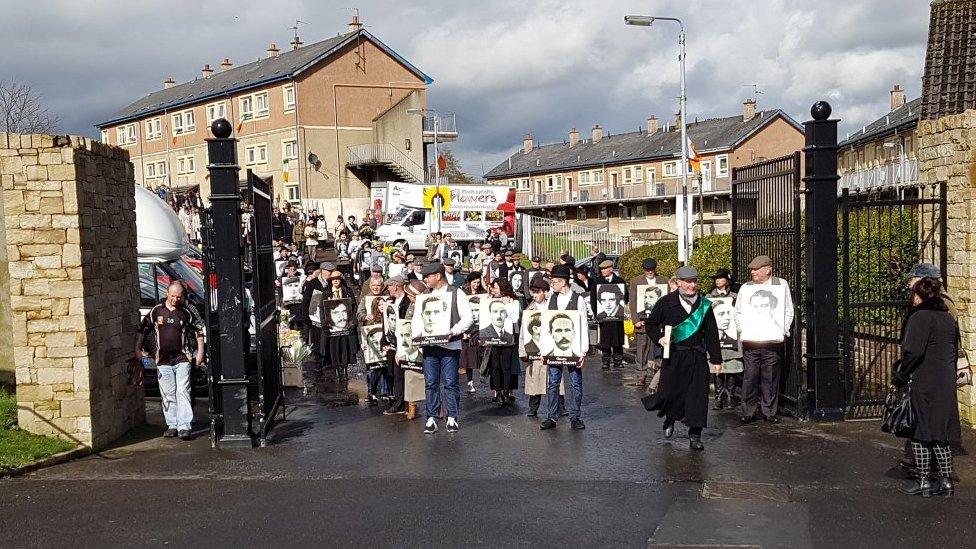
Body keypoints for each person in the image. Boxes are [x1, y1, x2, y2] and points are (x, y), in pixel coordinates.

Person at [644, 266, 724, 450]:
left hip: (697, 355)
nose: (692, 285)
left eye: (694, 281)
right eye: (688, 281)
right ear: (678, 282)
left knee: (698, 396)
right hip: (674, 356)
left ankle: (695, 435)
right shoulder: (666, 302)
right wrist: (659, 338)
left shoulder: (704, 305)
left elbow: (712, 333)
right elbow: (651, 325)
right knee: (672, 392)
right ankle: (670, 418)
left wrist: (717, 360)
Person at [895, 277, 961, 497]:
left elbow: (914, 352)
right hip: (945, 379)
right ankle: (947, 480)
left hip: (925, 380)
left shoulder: (919, 317)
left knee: (921, 431)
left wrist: (901, 374)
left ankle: (923, 480)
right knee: (940, 432)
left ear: (919, 295)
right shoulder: (947, 318)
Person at [134, 282, 205, 440]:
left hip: (182, 358)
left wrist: (200, 352)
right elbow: (142, 329)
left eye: (179, 297)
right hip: (163, 360)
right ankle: (172, 424)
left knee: (183, 391)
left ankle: (184, 426)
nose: (175, 299)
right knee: (167, 394)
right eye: (172, 296)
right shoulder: (157, 310)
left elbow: (199, 330)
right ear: (167, 294)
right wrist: (137, 349)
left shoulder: (186, 312)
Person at [734, 255, 795, 425]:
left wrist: (784, 330)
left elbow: (788, 310)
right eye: (752, 269)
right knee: (750, 377)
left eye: (756, 269)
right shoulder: (746, 288)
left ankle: (769, 411)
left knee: (771, 377)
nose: (752, 272)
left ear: (768, 269)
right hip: (751, 341)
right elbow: (737, 311)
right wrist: (742, 329)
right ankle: (749, 411)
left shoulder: (781, 285)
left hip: (772, 341)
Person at [419, 262, 474, 434]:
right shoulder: (424, 295)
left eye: (427, 276)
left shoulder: (456, 293)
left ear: (437, 276)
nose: (425, 279)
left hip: (450, 345)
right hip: (429, 346)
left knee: (450, 382)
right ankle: (432, 418)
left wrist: (453, 331)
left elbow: (468, 318)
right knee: (431, 383)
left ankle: (451, 418)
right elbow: (417, 321)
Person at [541, 264, 590, 430]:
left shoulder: (578, 299)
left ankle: (575, 416)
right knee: (553, 382)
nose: (551, 284)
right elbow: (546, 325)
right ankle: (552, 417)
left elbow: (583, 325)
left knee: (575, 383)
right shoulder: (551, 299)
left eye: (554, 281)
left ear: (563, 282)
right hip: (554, 349)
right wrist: (543, 349)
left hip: (574, 348)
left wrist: (583, 351)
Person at [521, 278, 566, 418]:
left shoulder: (554, 307)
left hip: (552, 350)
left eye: (537, 292)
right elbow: (523, 333)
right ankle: (533, 407)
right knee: (535, 380)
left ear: (545, 292)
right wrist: (523, 351)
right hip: (535, 350)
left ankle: (560, 407)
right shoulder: (529, 310)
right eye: (533, 292)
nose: (534, 295)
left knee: (556, 379)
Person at [629, 258, 670, 390]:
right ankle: (641, 375)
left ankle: (659, 375)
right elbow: (633, 301)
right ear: (643, 269)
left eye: (652, 269)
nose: (650, 271)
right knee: (642, 348)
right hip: (643, 321)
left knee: (659, 348)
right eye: (647, 269)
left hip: (659, 322)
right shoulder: (636, 281)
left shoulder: (664, 281)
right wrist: (635, 320)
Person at [708, 268, 741, 410]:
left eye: (720, 278)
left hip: (732, 337)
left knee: (732, 368)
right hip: (716, 337)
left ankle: (730, 397)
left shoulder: (736, 296)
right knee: (717, 367)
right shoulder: (709, 296)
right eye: (716, 278)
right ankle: (718, 397)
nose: (717, 280)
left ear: (727, 279)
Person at [484, 279, 521, 406]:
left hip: (507, 337)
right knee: (494, 366)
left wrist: (507, 305)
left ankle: (506, 391)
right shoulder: (491, 300)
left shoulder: (514, 301)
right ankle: (497, 391)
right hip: (493, 338)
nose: (493, 290)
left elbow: (515, 317)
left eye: (495, 287)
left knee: (506, 366)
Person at [591, 259, 628, 371]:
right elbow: (593, 299)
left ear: (611, 269)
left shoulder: (619, 281)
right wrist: (596, 313)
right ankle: (605, 360)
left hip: (617, 316)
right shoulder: (597, 282)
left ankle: (618, 360)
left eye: (605, 268)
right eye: (601, 269)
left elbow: (626, 297)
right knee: (605, 339)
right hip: (603, 316)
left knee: (617, 338)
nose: (602, 271)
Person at [321, 271, 358, 381]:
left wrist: (353, 323)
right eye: (333, 279)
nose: (336, 281)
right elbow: (322, 310)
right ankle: (337, 371)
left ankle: (345, 369)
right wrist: (324, 325)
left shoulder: (348, 292)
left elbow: (354, 308)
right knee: (334, 349)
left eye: (337, 279)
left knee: (345, 348)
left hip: (346, 326)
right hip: (332, 327)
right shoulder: (326, 293)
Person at [358, 277, 388, 405]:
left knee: (386, 366)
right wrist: (365, 316)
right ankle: (372, 392)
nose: (376, 288)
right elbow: (358, 315)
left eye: (379, 285)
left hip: (385, 335)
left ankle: (386, 392)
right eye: (374, 285)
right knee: (372, 367)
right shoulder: (365, 299)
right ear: (370, 286)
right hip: (370, 337)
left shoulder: (387, 297)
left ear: (382, 286)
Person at [460, 272, 486, 394]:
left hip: (480, 327)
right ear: (469, 283)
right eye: (474, 282)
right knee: (468, 358)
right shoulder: (463, 294)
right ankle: (470, 382)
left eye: (478, 282)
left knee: (482, 354)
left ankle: (483, 375)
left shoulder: (483, 294)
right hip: (468, 329)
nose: (476, 285)